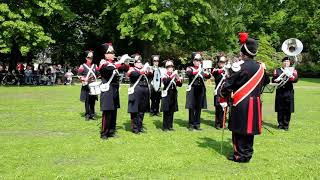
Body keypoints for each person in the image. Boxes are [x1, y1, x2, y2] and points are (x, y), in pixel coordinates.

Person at [218, 32, 270, 163]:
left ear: (243, 52)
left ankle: (239, 155)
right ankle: (247, 153)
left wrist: (223, 96)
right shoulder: (261, 67)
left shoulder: (239, 67)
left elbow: (228, 85)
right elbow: (266, 82)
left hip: (241, 102)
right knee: (250, 129)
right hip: (255, 102)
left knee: (238, 129)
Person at [99, 43, 129, 139]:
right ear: (105, 54)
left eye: (112, 52)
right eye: (110, 52)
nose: (112, 54)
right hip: (107, 90)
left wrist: (126, 62)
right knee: (107, 112)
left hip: (114, 90)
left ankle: (111, 131)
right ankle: (104, 133)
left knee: (113, 111)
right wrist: (120, 61)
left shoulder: (114, 64)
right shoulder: (103, 63)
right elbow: (108, 69)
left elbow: (125, 68)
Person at [127, 54, 153, 134]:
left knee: (142, 109)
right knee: (135, 109)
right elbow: (134, 75)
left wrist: (150, 71)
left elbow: (150, 76)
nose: (139, 63)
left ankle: (140, 126)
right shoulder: (131, 69)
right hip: (136, 90)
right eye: (137, 62)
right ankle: (135, 127)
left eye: (140, 61)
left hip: (145, 90)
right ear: (134, 63)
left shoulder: (143, 69)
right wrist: (143, 69)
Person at [185, 52, 211, 131]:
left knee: (198, 107)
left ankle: (197, 123)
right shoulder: (190, 68)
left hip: (200, 89)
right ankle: (191, 124)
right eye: (196, 60)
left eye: (199, 60)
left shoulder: (202, 69)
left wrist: (207, 72)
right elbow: (189, 73)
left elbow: (208, 76)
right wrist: (199, 70)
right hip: (193, 89)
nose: (198, 61)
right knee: (192, 107)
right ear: (193, 61)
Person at [272, 57, 298, 130]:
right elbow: (273, 79)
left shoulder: (293, 70)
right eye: (285, 61)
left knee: (288, 108)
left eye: (288, 61)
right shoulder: (277, 70)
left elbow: (295, 80)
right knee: (280, 108)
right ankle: (280, 124)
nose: (286, 63)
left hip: (289, 92)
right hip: (280, 92)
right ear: (282, 62)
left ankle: (286, 125)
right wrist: (277, 79)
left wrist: (290, 75)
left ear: (290, 63)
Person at [160, 60, 183, 131]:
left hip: (173, 93)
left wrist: (179, 79)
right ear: (166, 67)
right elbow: (166, 81)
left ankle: (170, 126)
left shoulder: (174, 74)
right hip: (167, 93)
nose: (170, 68)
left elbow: (179, 85)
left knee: (171, 110)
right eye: (168, 66)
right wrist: (173, 75)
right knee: (166, 110)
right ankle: (165, 126)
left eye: (171, 66)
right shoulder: (164, 74)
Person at [78, 50, 99, 120]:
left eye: (91, 58)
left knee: (92, 101)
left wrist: (95, 77)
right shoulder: (82, 66)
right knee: (87, 101)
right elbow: (79, 75)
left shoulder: (95, 66)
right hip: (86, 85)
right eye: (89, 57)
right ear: (86, 58)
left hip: (93, 85)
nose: (90, 59)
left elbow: (98, 75)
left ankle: (92, 114)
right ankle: (87, 114)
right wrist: (85, 79)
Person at [212, 54, 227, 129]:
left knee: (224, 107)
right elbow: (216, 73)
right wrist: (225, 70)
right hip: (218, 91)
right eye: (221, 61)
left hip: (226, 91)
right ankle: (217, 123)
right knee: (218, 107)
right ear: (218, 62)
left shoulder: (228, 70)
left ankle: (223, 123)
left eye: (224, 61)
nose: (223, 63)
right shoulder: (215, 70)